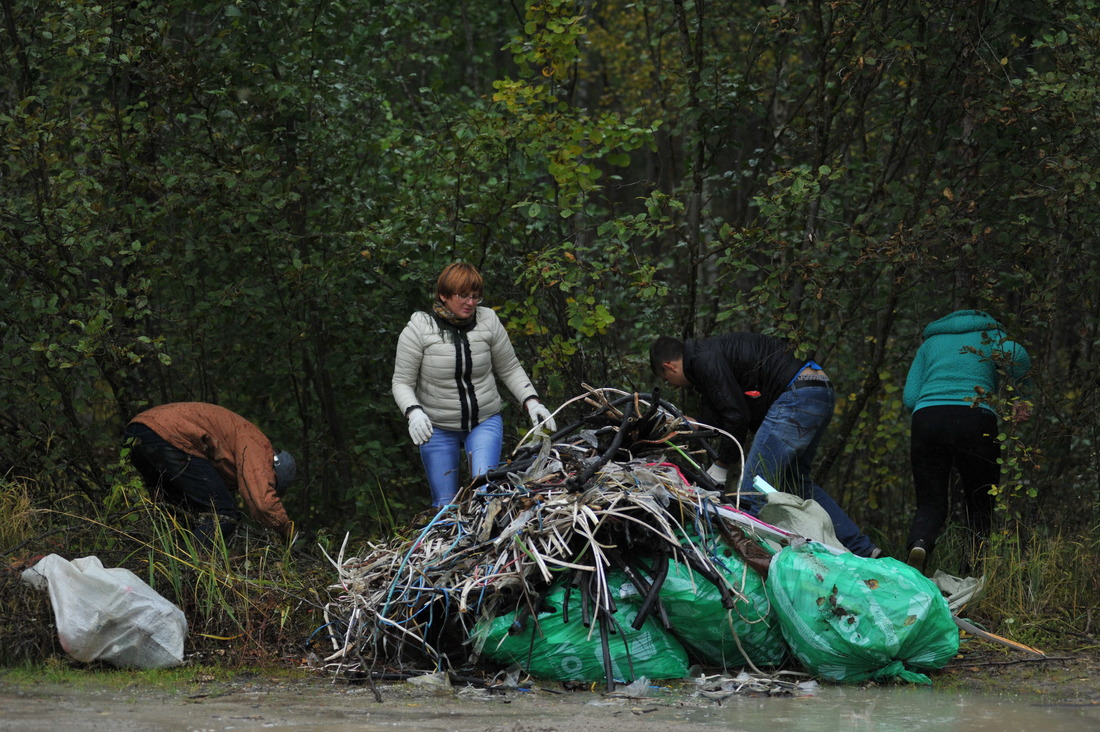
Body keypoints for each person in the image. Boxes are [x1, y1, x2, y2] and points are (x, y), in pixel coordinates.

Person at [650, 333, 880, 557]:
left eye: (666, 379)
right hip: (819, 390)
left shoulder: (703, 360)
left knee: (753, 489)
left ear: (669, 367)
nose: (672, 385)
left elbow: (736, 415)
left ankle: (751, 570)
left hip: (796, 395)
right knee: (797, 484)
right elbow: (722, 408)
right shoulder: (705, 356)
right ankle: (863, 550)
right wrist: (694, 425)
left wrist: (721, 466)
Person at [392, 262, 556, 507]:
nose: (470, 303)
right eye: (462, 296)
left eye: (475, 296)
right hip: (437, 426)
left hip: (484, 420)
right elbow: (401, 382)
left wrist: (531, 402)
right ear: (444, 295)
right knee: (445, 504)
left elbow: (509, 368)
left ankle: (487, 540)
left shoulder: (488, 320)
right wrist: (413, 412)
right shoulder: (419, 329)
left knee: (485, 494)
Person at [903, 310, 1032, 573]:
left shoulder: (930, 343)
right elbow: (1019, 356)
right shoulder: (989, 334)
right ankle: (972, 572)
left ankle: (920, 544)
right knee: (980, 501)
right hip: (975, 417)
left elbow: (909, 397)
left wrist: (935, 409)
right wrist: (1020, 396)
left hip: (927, 418)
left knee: (930, 502)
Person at [124, 402, 298, 546]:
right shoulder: (259, 447)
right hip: (169, 435)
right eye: (272, 483)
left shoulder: (238, 440)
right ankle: (189, 568)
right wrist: (289, 533)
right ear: (274, 468)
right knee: (223, 513)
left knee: (180, 513)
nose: (267, 482)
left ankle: (166, 567)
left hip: (139, 432)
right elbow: (262, 502)